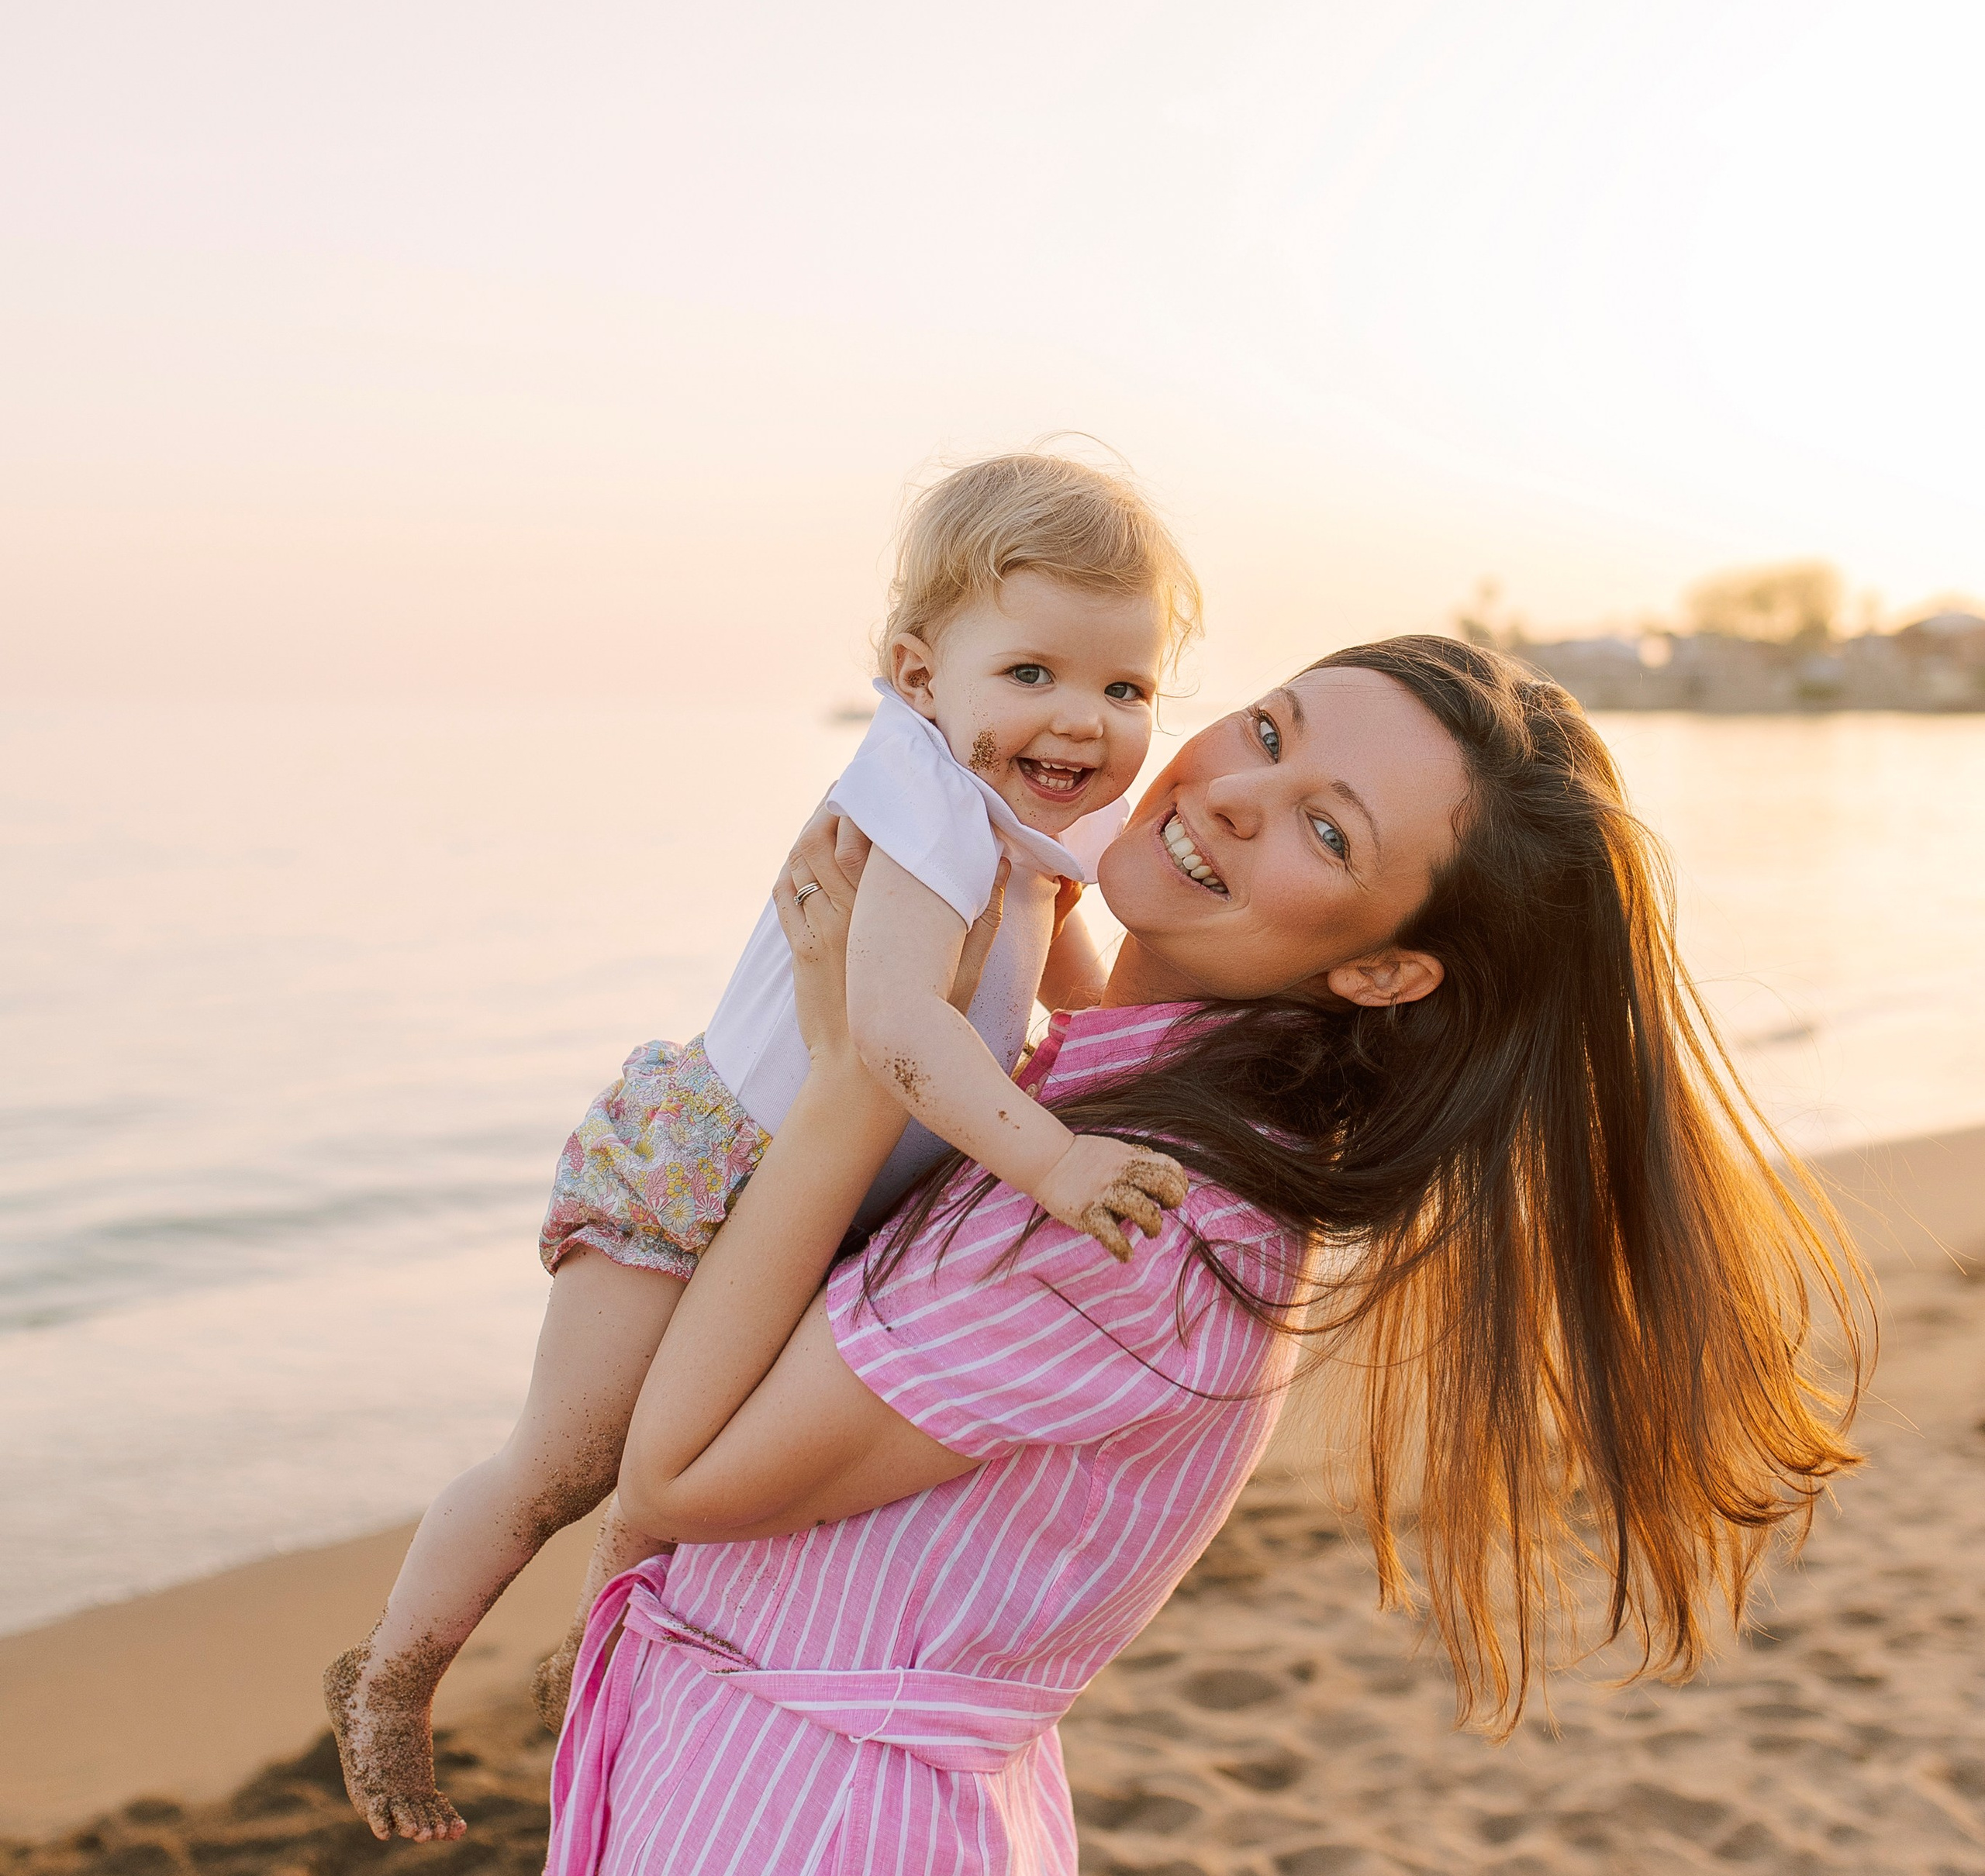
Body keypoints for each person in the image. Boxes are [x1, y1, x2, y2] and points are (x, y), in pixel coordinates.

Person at [544, 636, 1866, 1875]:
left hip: (803, 1824)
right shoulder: (1083, 1113)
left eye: (1327, 828)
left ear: (1388, 973)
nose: (1237, 791)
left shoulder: (1141, 1222)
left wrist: (849, 1074)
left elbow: (677, 1477)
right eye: (1268, 728)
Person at [324, 452, 1204, 1842]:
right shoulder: (916, 800)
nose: (1083, 721)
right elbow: (897, 1027)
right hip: (708, 1172)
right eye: (1030, 673)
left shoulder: (1027, 821)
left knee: (681, 1481)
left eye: (1125, 689)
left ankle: (593, 1657)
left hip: (819, 1199)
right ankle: (392, 1677)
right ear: (920, 677)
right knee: (568, 1462)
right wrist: (1054, 1163)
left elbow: (1078, 1005)